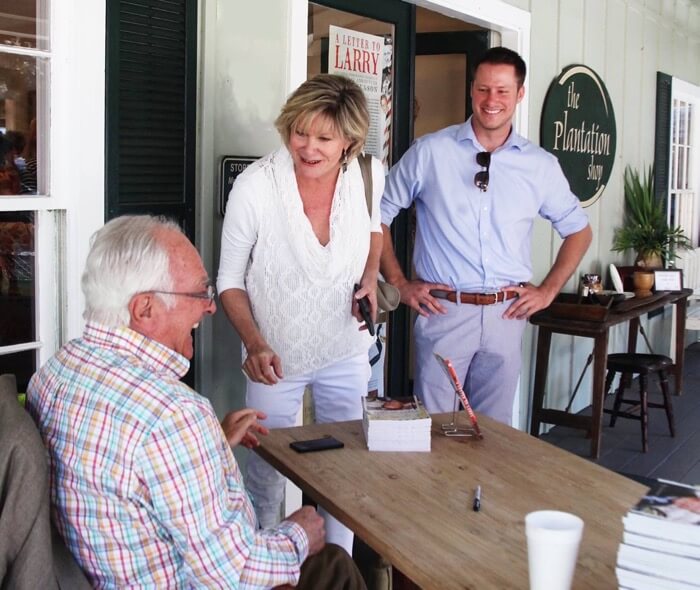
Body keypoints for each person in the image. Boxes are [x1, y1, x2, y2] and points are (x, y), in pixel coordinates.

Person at [27, 215, 365, 589]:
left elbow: (122, 471)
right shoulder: (172, 415)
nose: (210, 308)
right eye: (199, 294)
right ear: (144, 309)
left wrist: (208, 444)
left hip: (95, 573)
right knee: (332, 564)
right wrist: (300, 533)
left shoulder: (56, 372)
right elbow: (234, 573)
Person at [380, 47, 592, 424]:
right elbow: (376, 216)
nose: (491, 100)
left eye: (502, 91)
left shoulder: (540, 166)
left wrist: (547, 291)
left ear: (519, 94)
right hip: (444, 311)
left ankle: (486, 488)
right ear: (472, 90)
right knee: (433, 429)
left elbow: (578, 230)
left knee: (495, 437)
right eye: (482, 89)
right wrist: (398, 283)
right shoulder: (431, 152)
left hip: (506, 314)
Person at [217, 73, 384, 555]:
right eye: (299, 133)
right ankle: (267, 572)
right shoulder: (256, 186)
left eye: (324, 138)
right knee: (265, 469)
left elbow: (374, 230)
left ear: (349, 141)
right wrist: (254, 342)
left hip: (346, 347)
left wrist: (370, 276)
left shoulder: (370, 174)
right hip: (274, 357)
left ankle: (337, 569)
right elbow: (229, 279)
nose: (308, 148)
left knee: (344, 467)